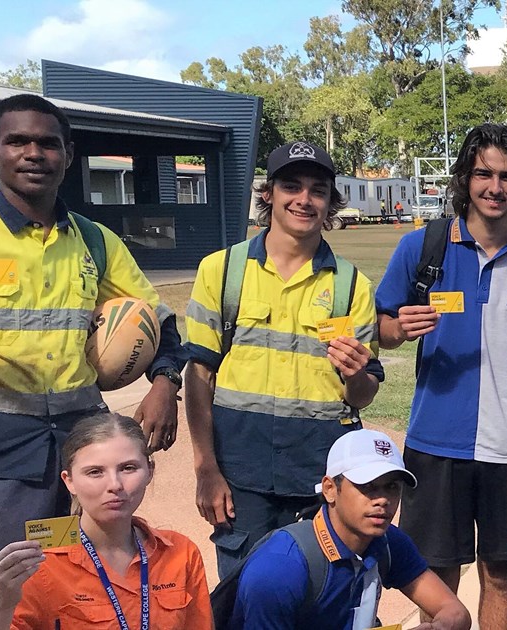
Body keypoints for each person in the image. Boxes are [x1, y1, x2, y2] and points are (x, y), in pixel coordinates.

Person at [0, 94, 186, 629]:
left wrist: (165, 384)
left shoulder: (94, 242)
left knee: (68, 588)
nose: (34, 153)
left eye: (48, 143)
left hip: (76, 457)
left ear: (68, 155)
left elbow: (162, 321)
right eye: (18, 141)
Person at [374, 124, 507, 630]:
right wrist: (399, 326)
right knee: (435, 578)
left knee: (505, 577)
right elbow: (379, 329)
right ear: (465, 178)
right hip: (436, 444)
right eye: (483, 173)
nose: (495, 187)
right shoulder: (423, 247)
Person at [182, 141, 383, 576]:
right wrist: (206, 469)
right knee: (245, 597)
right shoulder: (222, 271)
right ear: (268, 193)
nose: (304, 200)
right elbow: (198, 374)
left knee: (320, 596)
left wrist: (355, 374)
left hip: (320, 474)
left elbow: (364, 395)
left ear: (331, 201)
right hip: (241, 474)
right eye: (291, 186)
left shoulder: (353, 286)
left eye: (318, 190)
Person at [0, 414, 210, 630]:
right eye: (95, 472)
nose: (115, 485)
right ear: (69, 481)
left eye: (128, 468)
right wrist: (3, 602)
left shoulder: (181, 552)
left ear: (149, 470)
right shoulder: (40, 561)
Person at [228, 429, 470, 629]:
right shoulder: (279, 569)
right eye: (368, 486)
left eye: (392, 487)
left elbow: (456, 613)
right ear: (330, 489)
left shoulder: (388, 541)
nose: (382, 500)